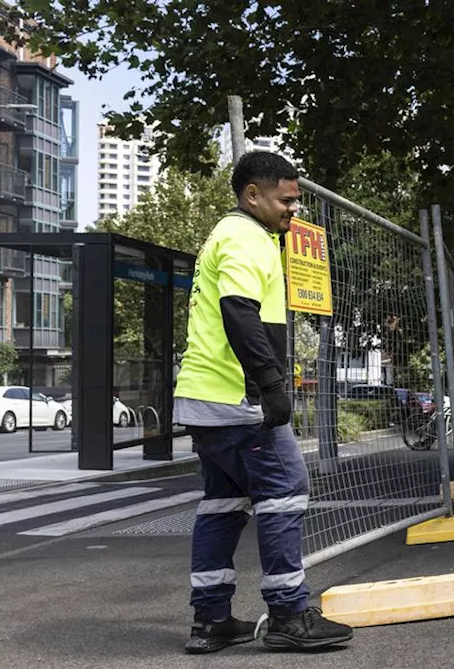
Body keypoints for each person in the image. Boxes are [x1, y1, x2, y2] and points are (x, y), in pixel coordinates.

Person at [174, 151, 353, 654]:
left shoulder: (228, 235)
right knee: (285, 492)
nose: (293, 210)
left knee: (223, 505)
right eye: (286, 200)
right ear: (253, 194)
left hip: (204, 397)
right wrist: (272, 386)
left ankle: (210, 621)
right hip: (238, 398)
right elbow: (239, 312)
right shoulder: (247, 238)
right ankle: (289, 616)